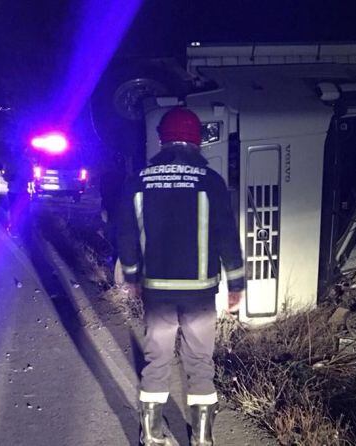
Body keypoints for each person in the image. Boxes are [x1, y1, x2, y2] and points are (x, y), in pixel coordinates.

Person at [118, 107, 245, 446]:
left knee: (156, 359)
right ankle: (202, 438)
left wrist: (131, 276)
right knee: (200, 362)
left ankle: (151, 435)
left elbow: (127, 235)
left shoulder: (138, 181)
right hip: (200, 292)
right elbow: (226, 235)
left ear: (162, 139)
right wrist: (236, 283)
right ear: (197, 141)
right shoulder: (210, 181)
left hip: (157, 290)